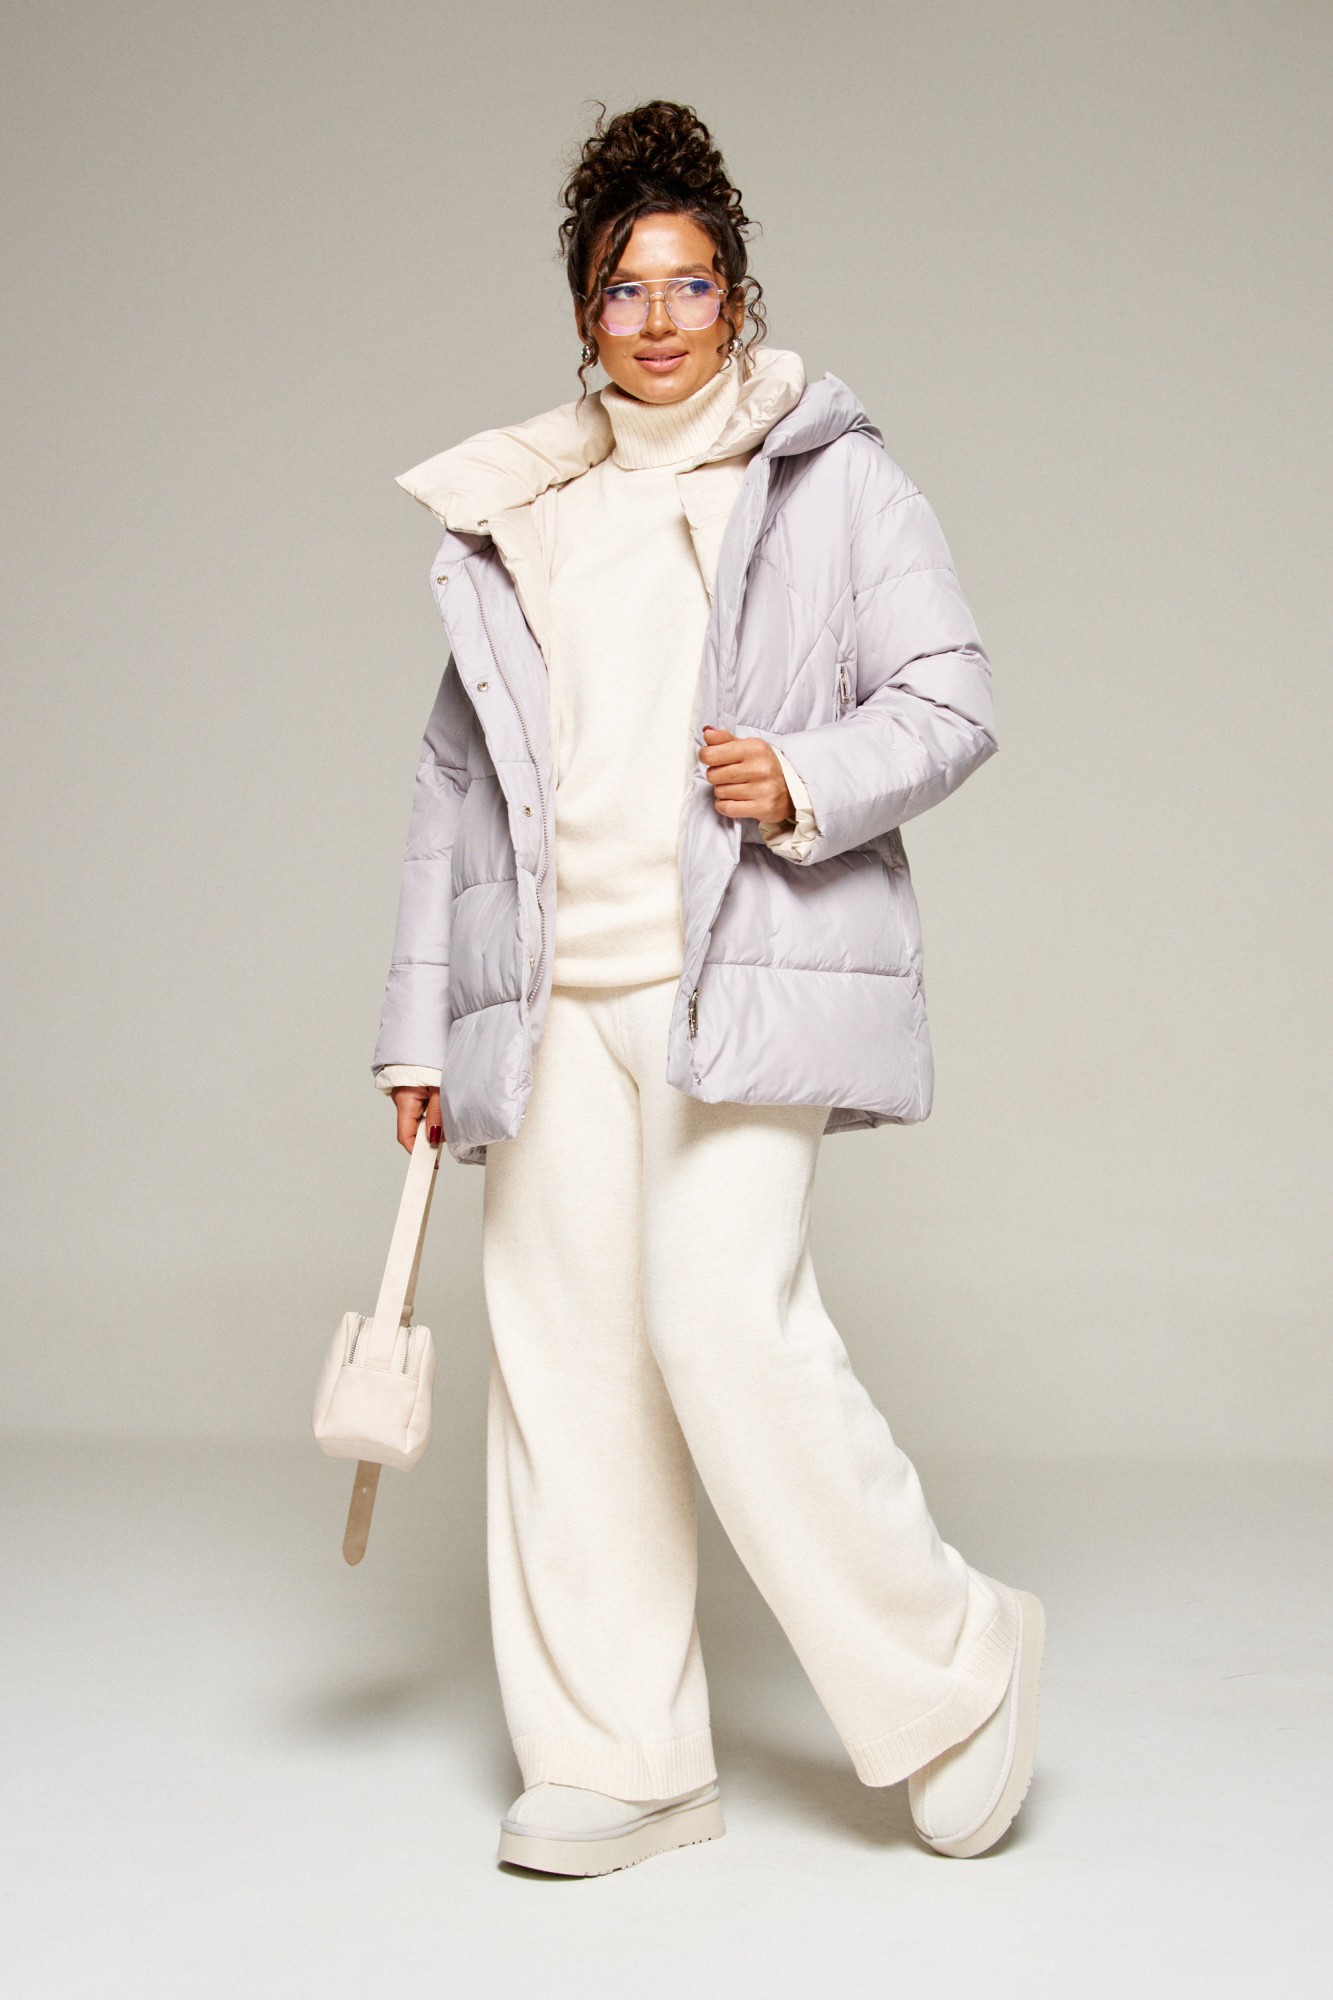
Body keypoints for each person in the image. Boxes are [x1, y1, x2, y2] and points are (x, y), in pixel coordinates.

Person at [372, 99, 1044, 1877]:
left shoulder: (829, 478)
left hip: (734, 979)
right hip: (550, 1002)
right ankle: (623, 1757)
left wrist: (804, 776)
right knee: (565, 1361)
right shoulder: (525, 511)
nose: (657, 319)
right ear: (582, 312)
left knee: (720, 1327)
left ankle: (959, 1665)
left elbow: (950, 697)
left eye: (689, 284)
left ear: (737, 296)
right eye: (623, 288)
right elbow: (455, 789)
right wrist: (418, 1031)